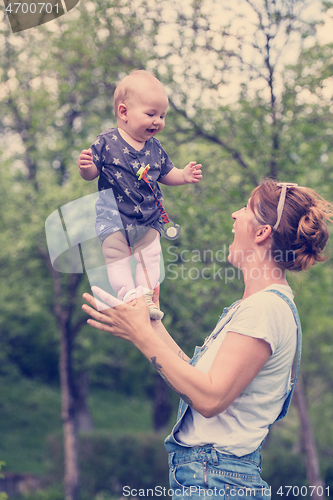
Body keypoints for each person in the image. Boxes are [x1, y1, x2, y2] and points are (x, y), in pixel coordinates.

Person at [81, 179, 333, 499]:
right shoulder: (253, 307)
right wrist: (152, 326)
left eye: (245, 208)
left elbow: (210, 400)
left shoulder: (266, 309)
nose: (234, 215)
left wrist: (143, 336)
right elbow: (200, 383)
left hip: (216, 481)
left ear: (261, 232)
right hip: (211, 478)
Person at [78, 69, 202, 320]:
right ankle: (128, 295)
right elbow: (92, 174)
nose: (158, 121)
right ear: (124, 112)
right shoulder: (106, 142)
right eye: (151, 114)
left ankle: (145, 296)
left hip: (147, 218)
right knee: (116, 257)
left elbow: (166, 174)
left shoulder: (155, 148)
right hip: (113, 218)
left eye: (162, 116)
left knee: (151, 255)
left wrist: (183, 175)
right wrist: (86, 167)